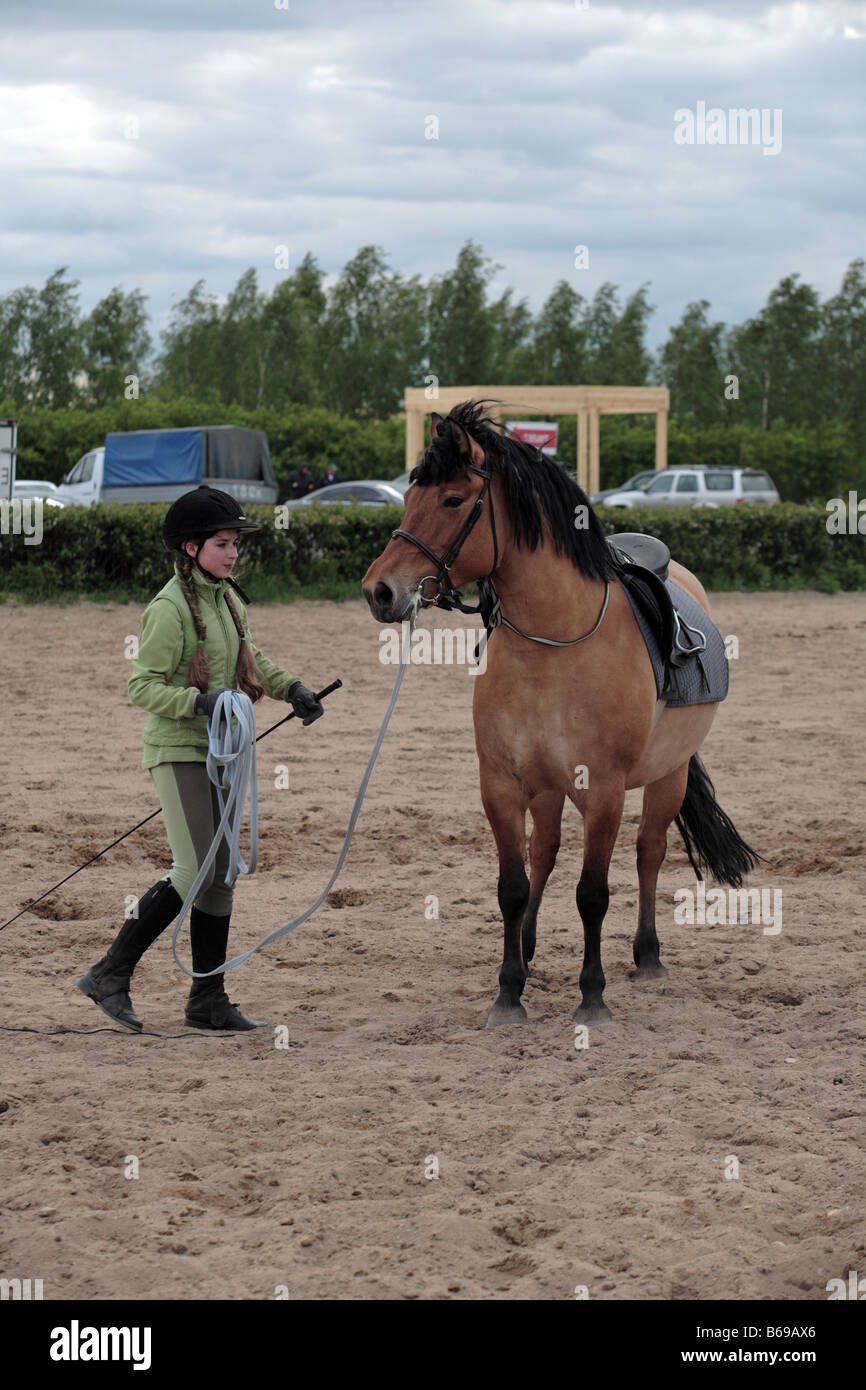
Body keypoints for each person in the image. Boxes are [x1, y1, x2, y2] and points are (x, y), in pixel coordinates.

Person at [77, 485, 324, 1034]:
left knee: (222, 876)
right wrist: (200, 701)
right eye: (222, 543)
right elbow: (142, 686)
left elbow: (249, 656)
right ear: (191, 548)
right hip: (177, 750)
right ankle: (109, 973)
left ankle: (206, 1000)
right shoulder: (167, 609)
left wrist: (294, 689)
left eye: (235, 542)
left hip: (220, 753)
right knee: (194, 869)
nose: (233, 552)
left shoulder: (226, 599)